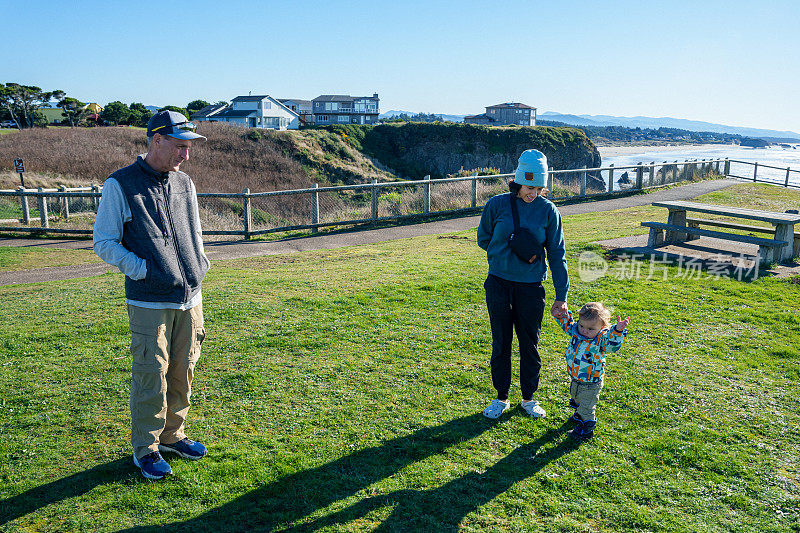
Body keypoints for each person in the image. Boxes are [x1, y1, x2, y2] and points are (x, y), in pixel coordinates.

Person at [93, 110, 210, 480]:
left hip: (190, 297)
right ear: (156, 140)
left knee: (183, 369)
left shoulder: (184, 183)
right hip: (148, 301)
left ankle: (174, 435)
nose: (185, 155)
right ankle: (146, 448)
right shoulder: (120, 185)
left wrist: (199, 264)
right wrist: (144, 270)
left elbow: (194, 231)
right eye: (179, 146)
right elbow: (104, 242)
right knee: (150, 373)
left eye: (189, 147)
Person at [477, 149, 569, 420]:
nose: (534, 193)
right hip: (498, 284)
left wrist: (561, 295)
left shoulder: (548, 211)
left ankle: (529, 399)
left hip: (530, 288)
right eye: (530, 187)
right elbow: (483, 238)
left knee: (530, 343)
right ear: (517, 182)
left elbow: (557, 254)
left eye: (540, 188)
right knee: (501, 342)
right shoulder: (496, 205)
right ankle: (501, 398)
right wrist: (505, 252)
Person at [555, 302, 629, 441]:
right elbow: (567, 325)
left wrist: (617, 331)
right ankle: (579, 416)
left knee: (587, 407)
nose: (584, 331)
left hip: (591, 382)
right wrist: (561, 316)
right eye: (582, 325)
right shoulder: (576, 331)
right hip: (576, 378)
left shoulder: (601, 339)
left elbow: (612, 345)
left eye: (590, 328)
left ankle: (586, 429)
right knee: (576, 398)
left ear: (602, 327)